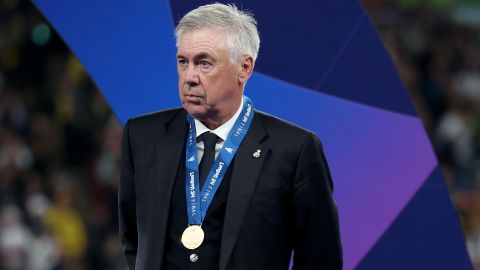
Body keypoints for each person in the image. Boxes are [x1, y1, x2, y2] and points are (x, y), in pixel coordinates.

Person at [118, 3, 342, 270]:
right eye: (183, 62)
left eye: (204, 62)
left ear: (244, 68)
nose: (189, 77)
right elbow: (133, 239)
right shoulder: (142, 136)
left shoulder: (295, 150)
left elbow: (321, 260)